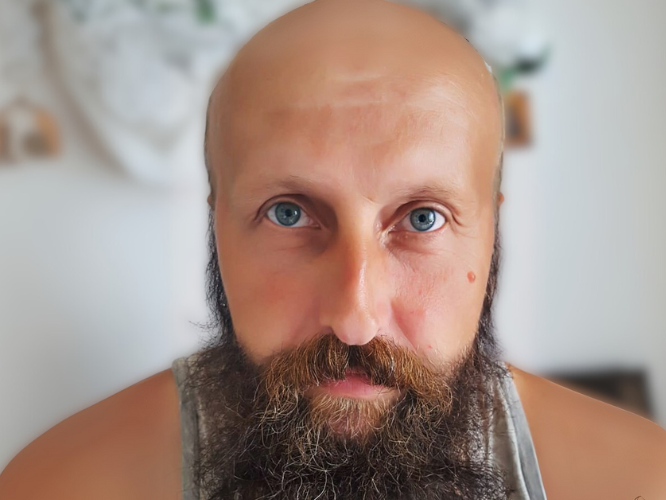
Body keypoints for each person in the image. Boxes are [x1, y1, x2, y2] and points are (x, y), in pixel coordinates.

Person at [1, 0, 665, 499]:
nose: (355, 318)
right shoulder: (57, 485)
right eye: (289, 214)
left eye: (423, 219)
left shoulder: (638, 481)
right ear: (216, 225)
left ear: (491, 231)